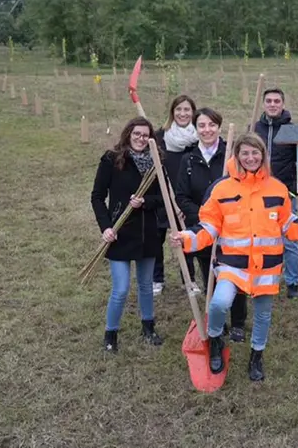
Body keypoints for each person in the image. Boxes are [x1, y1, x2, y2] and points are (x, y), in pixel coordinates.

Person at [171, 133, 298, 382]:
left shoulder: (277, 188)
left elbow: (288, 224)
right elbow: (208, 227)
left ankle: (256, 355)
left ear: (263, 155)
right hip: (232, 264)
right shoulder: (222, 188)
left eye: (255, 152)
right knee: (218, 303)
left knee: (263, 315)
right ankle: (215, 340)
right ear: (236, 156)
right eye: (245, 153)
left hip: (267, 267)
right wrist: (186, 239)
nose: (250, 157)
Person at [90, 117, 164, 353]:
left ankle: (148, 327)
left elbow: (163, 197)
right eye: (137, 134)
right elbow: (97, 196)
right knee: (120, 289)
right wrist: (106, 227)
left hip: (147, 234)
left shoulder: (157, 163)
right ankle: (110, 334)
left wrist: (146, 202)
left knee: (145, 285)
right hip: (120, 233)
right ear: (128, 134)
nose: (141, 139)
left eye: (146, 135)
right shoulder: (112, 159)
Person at [175, 107, 248, 343]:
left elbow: (243, 190)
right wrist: (205, 217)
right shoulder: (188, 159)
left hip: (232, 229)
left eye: (211, 125)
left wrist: (227, 216)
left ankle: (237, 322)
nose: (207, 130)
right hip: (204, 227)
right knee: (211, 275)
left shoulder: (232, 156)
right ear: (196, 130)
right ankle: (218, 321)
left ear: (219, 126)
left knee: (235, 274)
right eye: (202, 126)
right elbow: (181, 196)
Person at [253, 88, 298, 299]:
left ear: (283, 104)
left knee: (290, 239)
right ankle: (263, 278)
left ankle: (292, 282)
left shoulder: (291, 130)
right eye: (269, 101)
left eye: (277, 101)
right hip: (258, 193)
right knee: (262, 238)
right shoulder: (254, 129)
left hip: (285, 192)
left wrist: (294, 188)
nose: (273, 104)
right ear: (264, 104)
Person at [152, 95, 199, 296]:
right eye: (179, 109)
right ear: (172, 112)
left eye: (187, 110)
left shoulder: (197, 137)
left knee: (185, 237)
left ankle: (188, 279)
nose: (183, 113)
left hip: (185, 195)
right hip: (162, 193)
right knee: (156, 238)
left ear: (193, 113)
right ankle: (156, 279)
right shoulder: (160, 136)